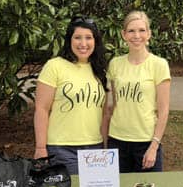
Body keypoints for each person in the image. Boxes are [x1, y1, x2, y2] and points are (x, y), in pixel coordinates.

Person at [34, 16, 108, 175]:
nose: (83, 43)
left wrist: (105, 147)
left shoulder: (100, 70)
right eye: (77, 37)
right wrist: (40, 147)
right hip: (62, 149)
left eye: (89, 38)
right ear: (69, 40)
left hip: (95, 149)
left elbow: (102, 113)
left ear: (95, 41)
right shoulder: (55, 66)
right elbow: (41, 109)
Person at [101, 10, 171, 172]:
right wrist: (105, 144)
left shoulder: (159, 65)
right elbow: (113, 105)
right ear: (124, 35)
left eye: (141, 30)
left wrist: (154, 146)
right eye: (131, 31)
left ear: (149, 34)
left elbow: (164, 110)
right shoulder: (115, 64)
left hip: (146, 142)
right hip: (117, 140)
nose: (136, 35)